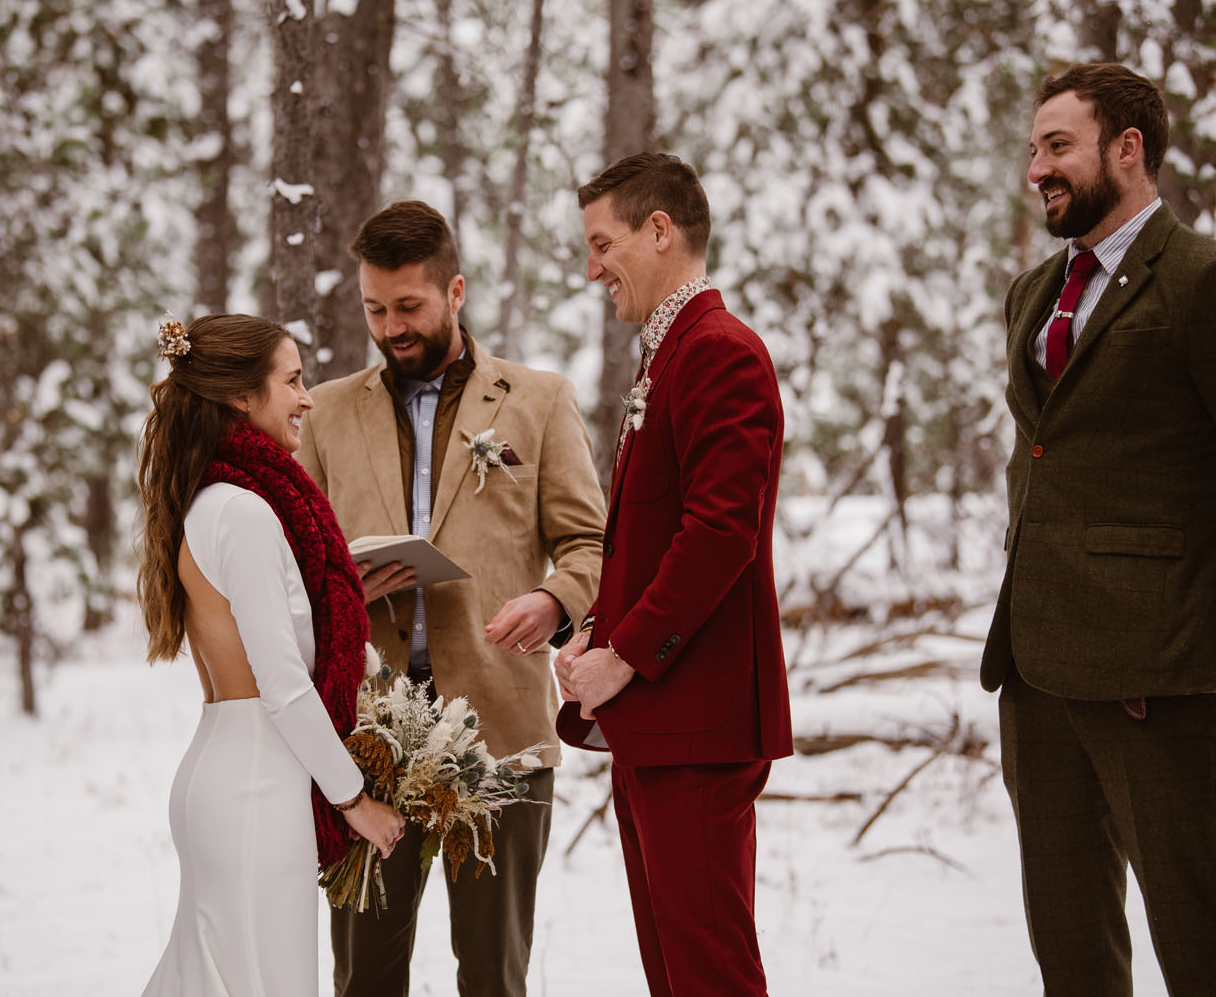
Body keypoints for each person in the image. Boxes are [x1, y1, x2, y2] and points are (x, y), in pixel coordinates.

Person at [295, 200, 605, 997]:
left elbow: (590, 544)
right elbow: (293, 563)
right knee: (364, 979)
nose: (391, 327)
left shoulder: (539, 401)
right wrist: (340, 589)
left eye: (408, 306)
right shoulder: (326, 412)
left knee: (494, 978)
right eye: (374, 309)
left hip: (502, 731)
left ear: (456, 291)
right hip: (366, 743)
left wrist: (553, 601)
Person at [981, 63, 1216, 997]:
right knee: (1070, 948)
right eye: (1034, 148)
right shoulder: (1033, 291)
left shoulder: (1199, 280)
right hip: (1036, 674)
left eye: (1058, 146)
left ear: (1128, 149)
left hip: (1160, 680)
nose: (1036, 168)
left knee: (1198, 940)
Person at [554, 152, 792, 997]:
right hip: (658, 722)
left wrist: (623, 656)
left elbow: (720, 534)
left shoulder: (721, 352)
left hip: (698, 722)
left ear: (660, 231)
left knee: (709, 973)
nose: (593, 270)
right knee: (674, 973)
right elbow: (652, 536)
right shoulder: (667, 354)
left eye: (602, 244)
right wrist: (595, 632)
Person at [135, 312, 404, 997]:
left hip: (226, 771)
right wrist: (354, 800)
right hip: (257, 786)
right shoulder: (246, 511)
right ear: (238, 396)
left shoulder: (210, 501)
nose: (307, 398)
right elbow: (282, 684)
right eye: (292, 381)